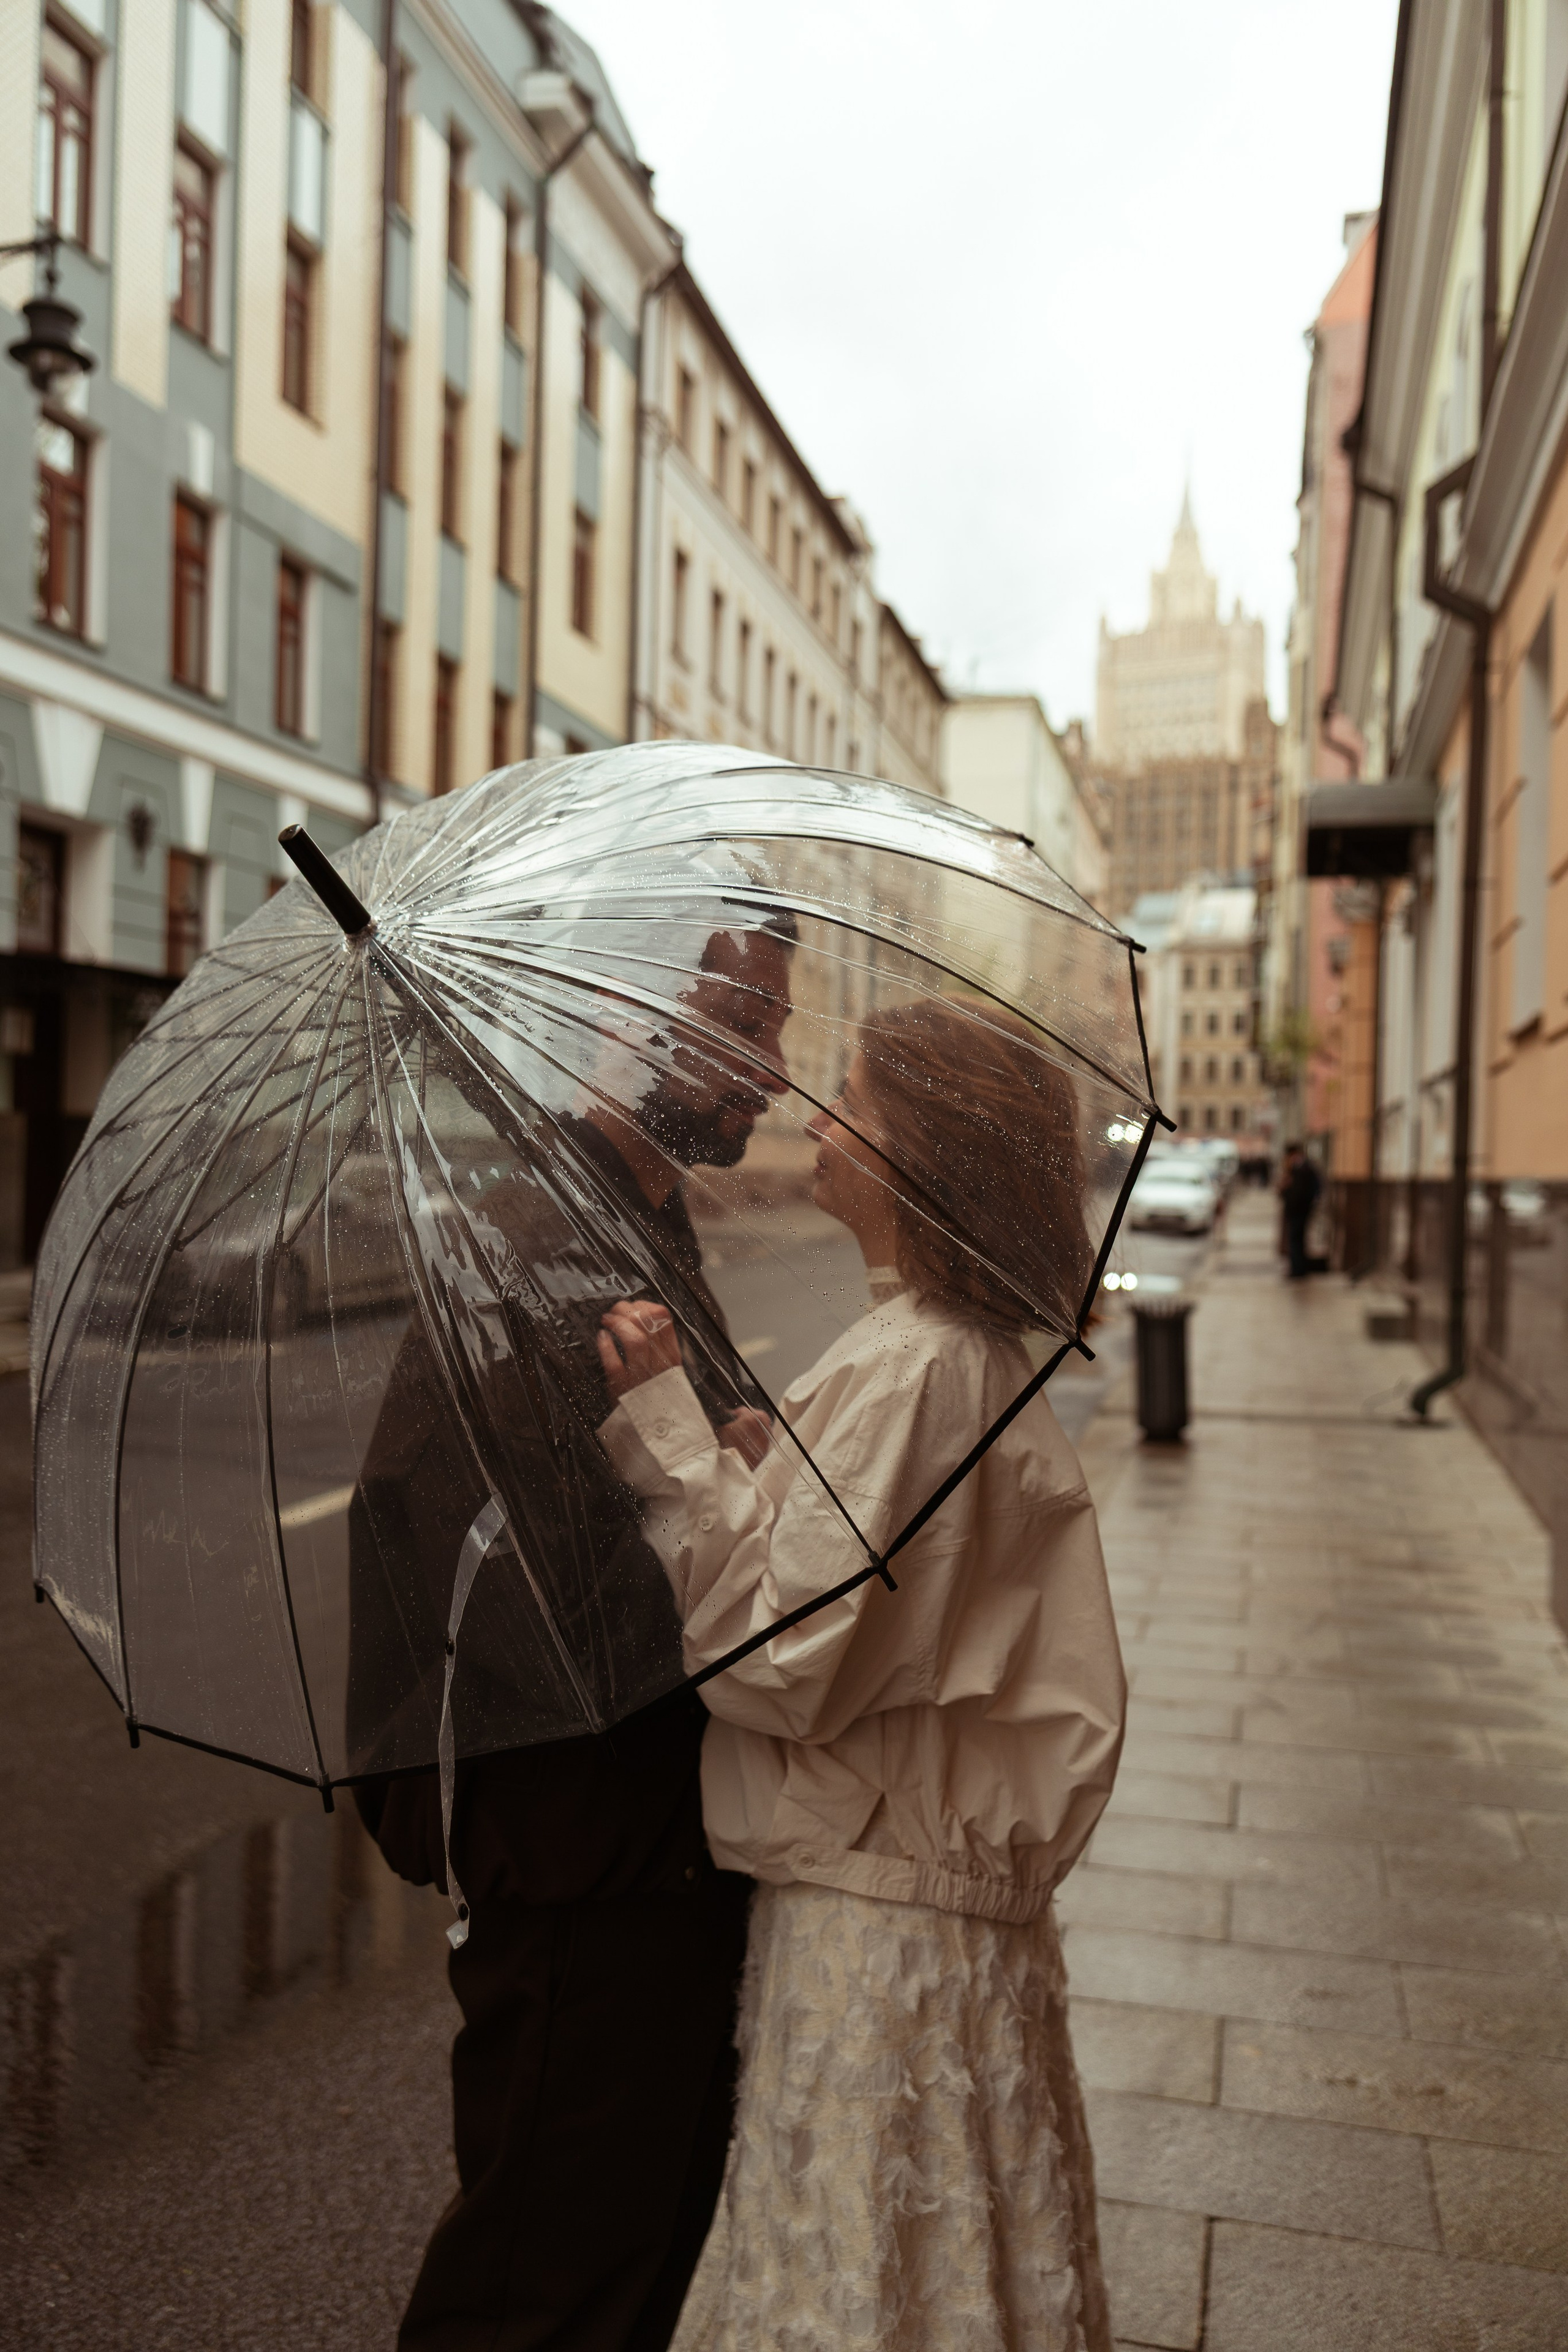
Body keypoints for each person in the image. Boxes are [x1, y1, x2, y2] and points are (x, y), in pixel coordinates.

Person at [596, 997, 1125, 2352]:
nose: (812, 1122)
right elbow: (884, 1594)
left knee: (856, 2284)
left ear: (917, 1156)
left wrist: (672, 1437)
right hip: (908, 1912)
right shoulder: (938, 1351)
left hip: (878, 1937)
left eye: (849, 1103)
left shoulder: (918, 1368)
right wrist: (772, 1469)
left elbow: (782, 1662)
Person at [352, 910, 795, 2352]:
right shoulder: (547, 1237)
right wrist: (740, 1541)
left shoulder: (629, 1212)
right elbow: (521, 1565)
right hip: (587, 1855)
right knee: (544, 2282)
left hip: (648, 1847)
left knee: (626, 2252)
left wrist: (727, 1458)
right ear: (630, 1012)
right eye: (748, 1025)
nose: (775, 1073)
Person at [1278, 1140, 1322, 1279]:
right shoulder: (1305, 1167)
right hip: (1301, 1209)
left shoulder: (1300, 1168)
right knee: (1299, 1239)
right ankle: (1299, 1268)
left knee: (1296, 1239)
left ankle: (1298, 1269)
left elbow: (1299, 1192)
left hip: (1298, 1210)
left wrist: (1285, 1192)